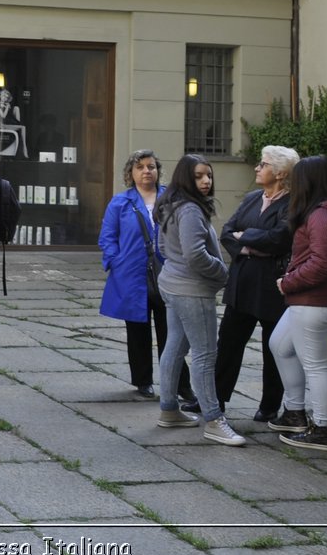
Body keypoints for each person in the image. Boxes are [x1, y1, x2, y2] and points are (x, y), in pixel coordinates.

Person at [267, 156, 327, 452]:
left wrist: (289, 281)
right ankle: (294, 413)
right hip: (315, 299)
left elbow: (322, 263)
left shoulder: (321, 215)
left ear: (308, 182)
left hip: (312, 302)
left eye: (296, 180)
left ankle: (322, 430)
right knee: (280, 346)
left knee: (316, 365)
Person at [155, 155, 244, 445]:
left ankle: (169, 410)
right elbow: (195, 255)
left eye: (208, 175)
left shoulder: (170, 204)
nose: (206, 181)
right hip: (192, 290)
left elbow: (162, 246)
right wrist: (222, 272)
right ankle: (214, 420)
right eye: (198, 176)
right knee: (205, 354)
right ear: (185, 178)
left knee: (174, 347)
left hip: (172, 284)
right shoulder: (190, 209)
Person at [98, 149, 194, 405]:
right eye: (140, 167)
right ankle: (143, 381)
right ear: (131, 172)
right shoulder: (120, 202)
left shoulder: (171, 198)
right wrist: (114, 261)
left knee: (172, 333)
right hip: (131, 274)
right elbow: (107, 237)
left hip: (167, 274)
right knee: (137, 332)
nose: (146, 171)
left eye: (151, 166)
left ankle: (181, 384)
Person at [213, 145, 299, 422]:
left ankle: (269, 405)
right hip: (241, 283)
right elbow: (227, 232)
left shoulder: (293, 204)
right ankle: (216, 399)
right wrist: (250, 246)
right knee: (228, 344)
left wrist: (245, 237)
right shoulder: (252, 197)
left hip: (271, 286)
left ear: (280, 172)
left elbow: (280, 239)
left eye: (263, 165)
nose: (256, 168)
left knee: (272, 347)